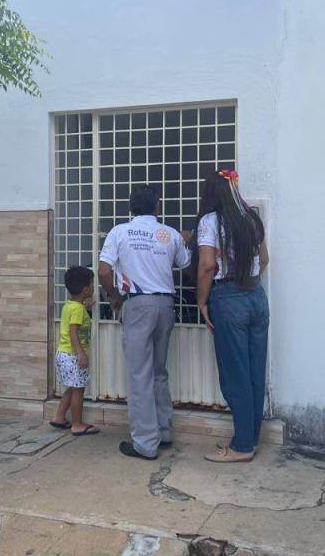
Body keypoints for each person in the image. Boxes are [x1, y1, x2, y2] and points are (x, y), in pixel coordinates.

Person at [99, 185, 191, 460]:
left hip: (137, 305)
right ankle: (163, 432)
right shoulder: (170, 234)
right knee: (159, 371)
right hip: (165, 305)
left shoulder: (119, 232)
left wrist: (114, 296)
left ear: (130, 208)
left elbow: (103, 271)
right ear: (157, 207)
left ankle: (145, 444)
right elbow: (187, 266)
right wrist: (186, 240)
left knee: (140, 375)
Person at [196, 169, 270, 463]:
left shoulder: (210, 221)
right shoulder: (251, 218)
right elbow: (265, 259)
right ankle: (250, 438)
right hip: (256, 297)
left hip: (229, 298)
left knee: (235, 375)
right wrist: (248, 282)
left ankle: (241, 447)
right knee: (254, 373)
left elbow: (206, 265)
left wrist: (202, 301)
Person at [49, 266, 100, 437]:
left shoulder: (71, 305)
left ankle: (59, 417)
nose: (93, 287)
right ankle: (77, 424)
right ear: (86, 289)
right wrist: (81, 353)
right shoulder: (78, 309)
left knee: (72, 387)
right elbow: (73, 332)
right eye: (92, 284)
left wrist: (88, 309)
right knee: (78, 390)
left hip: (64, 354)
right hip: (72, 355)